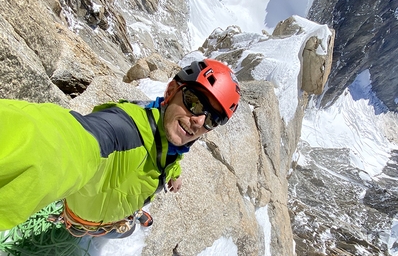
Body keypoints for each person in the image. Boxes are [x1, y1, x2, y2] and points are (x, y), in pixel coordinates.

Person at [0, 59, 241, 238]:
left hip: (113, 211)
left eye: (213, 120)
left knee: (126, 220)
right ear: (170, 92)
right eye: (194, 102)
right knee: (124, 233)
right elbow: (66, 142)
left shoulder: (172, 137)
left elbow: (171, 154)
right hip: (86, 221)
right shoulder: (121, 130)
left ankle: (128, 216)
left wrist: (173, 173)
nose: (199, 121)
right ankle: (121, 223)